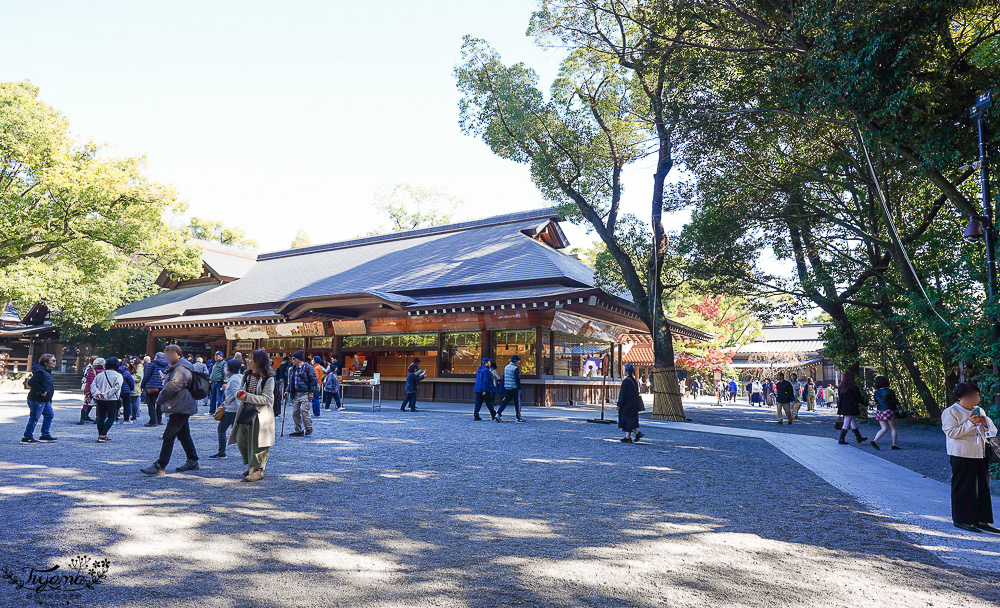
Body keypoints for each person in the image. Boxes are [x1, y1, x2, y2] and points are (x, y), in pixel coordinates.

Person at [942, 383, 999, 534]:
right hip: (961, 454)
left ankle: (981, 520)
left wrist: (986, 424)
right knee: (963, 487)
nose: (976, 398)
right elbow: (951, 433)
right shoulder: (951, 411)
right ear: (961, 397)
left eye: (977, 395)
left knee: (982, 488)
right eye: (972, 395)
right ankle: (962, 519)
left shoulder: (979, 410)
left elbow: (991, 431)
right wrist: (970, 423)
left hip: (980, 453)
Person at [140, 345, 200, 475]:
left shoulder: (181, 368)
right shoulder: (179, 367)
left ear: (178, 354)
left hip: (181, 405)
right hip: (182, 404)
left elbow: (174, 385)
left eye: (171, 354)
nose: (168, 357)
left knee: (169, 434)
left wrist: (160, 399)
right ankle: (193, 459)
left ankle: (160, 465)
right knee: (183, 434)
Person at [228, 350, 276, 482]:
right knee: (242, 439)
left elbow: (265, 398)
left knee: (258, 443)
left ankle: (258, 469)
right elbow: (241, 390)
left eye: (251, 358)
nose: (248, 361)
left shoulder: (268, 379)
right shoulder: (247, 375)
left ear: (259, 361)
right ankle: (251, 464)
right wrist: (239, 394)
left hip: (261, 413)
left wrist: (247, 396)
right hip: (246, 411)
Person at [209, 359, 242, 460]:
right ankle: (248, 450)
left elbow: (237, 394)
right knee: (238, 431)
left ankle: (222, 452)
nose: (225, 368)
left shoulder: (233, 379)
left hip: (232, 409)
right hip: (234, 408)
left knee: (222, 429)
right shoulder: (239, 377)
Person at [22, 353, 58, 444]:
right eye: (53, 360)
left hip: (44, 400)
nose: (55, 362)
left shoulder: (46, 371)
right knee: (34, 418)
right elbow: (31, 382)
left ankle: (45, 435)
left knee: (49, 415)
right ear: (46, 362)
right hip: (37, 399)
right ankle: (27, 437)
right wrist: (42, 390)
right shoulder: (40, 372)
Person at [285, 349, 318, 437]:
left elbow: (313, 380)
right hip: (296, 393)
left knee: (304, 410)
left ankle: (308, 427)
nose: (292, 361)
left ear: (299, 359)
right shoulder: (292, 369)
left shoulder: (308, 368)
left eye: (294, 359)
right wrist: (287, 390)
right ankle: (298, 430)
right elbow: (290, 381)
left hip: (305, 393)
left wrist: (311, 392)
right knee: (295, 413)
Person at [91, 357, 124, 443]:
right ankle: (103, 434)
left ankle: (100, 434)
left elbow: (93, 385)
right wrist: (106, 394)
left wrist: (98, 393)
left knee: (101, 417)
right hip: (112, 399)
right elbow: (117, 387)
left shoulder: (100, 375)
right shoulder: (118, 375)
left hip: (100, 399)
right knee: (111, 417)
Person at [836, 371, 869, 445]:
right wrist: (865, 403)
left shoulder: (841, 387)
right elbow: (858, 398)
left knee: (852, 421)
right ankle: (841, 439)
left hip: (843, 407)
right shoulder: (853, 387)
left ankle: (859, 437)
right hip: (851, 407)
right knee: (847, 422)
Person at [870, 375, 902, 450]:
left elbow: (876, 401)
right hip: (889, 410)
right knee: (893, 428)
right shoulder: (889, 391)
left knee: (884, 428)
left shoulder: (876, 392)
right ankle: (894, 444)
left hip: (880, 411)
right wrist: (897, 409)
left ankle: (875, 440)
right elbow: (894, 401)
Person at [616, 363, 644, 442]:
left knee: (626, 420)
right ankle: (628, 437)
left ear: (627, 371)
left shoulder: (626, 381)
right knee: (631, 419)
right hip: (634, 403)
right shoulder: (634, 380)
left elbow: (623, 394)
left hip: (627, 404)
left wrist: (619, 404)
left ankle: (637, 432)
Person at [141, 352, 169, 426]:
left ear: (156, 357)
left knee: (151, 404)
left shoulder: (152, 364)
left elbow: (147, 376)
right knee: (160, 404)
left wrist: (142, 386)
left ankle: (153, 421)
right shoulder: (167, 365)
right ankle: (159, 419)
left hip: (152, 386)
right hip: (162, 386)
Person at [496, 355, 524, 423]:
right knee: (517, 402)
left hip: (507, 387)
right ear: (516, 361)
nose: (518, 362)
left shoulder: (506, 367)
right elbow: (517, 379)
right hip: (514, 387)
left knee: (505, 401)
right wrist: (519, 387)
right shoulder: (515, 368)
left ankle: (498, 413)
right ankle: (518, 417)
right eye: (518, 361)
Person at [78, 356, 98, 425]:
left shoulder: (89, 367)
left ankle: (84, 418)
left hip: (88, 388)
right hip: (93, 388)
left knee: (87, 403)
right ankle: (95, 418)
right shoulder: (93, 369)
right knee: (95, 403)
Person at [118, 358, 136, 424]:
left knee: (116, 405)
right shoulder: (126, 373)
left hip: (117, 391)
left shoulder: (116, 372)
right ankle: (126, 419)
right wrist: (132, 389)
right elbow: (131, 382)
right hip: (126, 391)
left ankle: (116, 419)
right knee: (127, 405)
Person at [208, 351, 227, 416]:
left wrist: (225, 382)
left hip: (220, 382)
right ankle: (212, 411)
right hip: (214, 383)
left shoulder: (224, 363)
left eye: (217, 356)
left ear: (221, 356)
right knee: (212, 397)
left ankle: (219, 412)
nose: (215, 357)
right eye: (215, 356)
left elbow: (225, 373)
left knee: (219, 398)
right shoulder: (216, 363)